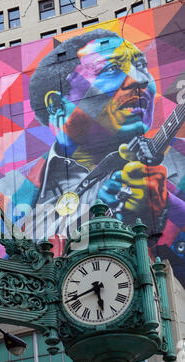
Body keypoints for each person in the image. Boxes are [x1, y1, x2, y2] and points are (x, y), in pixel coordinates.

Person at [21, 28, 185, 286]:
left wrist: (167, 208)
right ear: (56, 104)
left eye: (141, 65)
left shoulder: (182, 158)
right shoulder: (9, 192)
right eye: (111, 70)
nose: (140, 80)